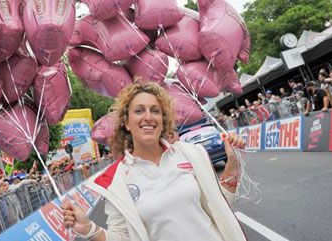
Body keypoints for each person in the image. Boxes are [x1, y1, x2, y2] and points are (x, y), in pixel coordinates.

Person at [62, 81, 247, 241]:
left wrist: (233, 163)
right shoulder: (114, 179)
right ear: (126, 122)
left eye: (155, 111)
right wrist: (89, 230)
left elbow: (220, 205)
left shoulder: (190, 153)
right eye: (139, 111)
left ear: (163, 120)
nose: (148, 117)